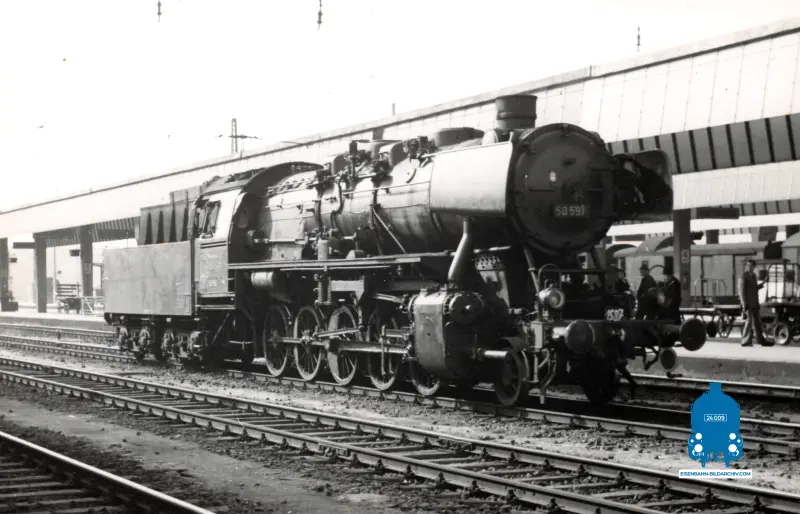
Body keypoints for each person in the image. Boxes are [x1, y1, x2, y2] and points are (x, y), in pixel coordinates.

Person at [738, 259, 767, 347]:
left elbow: (754, 289)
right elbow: (741, 291)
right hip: (748, 303)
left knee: (757, 322)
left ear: (754, 267)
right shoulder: (743, 276)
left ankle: (760, 340)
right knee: (749, 321)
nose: (749, 267)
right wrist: (744, 304)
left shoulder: (754, 276)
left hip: (754, 302)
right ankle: (744, 340)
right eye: (748, 265)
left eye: (751, 265)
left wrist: (763, 283)